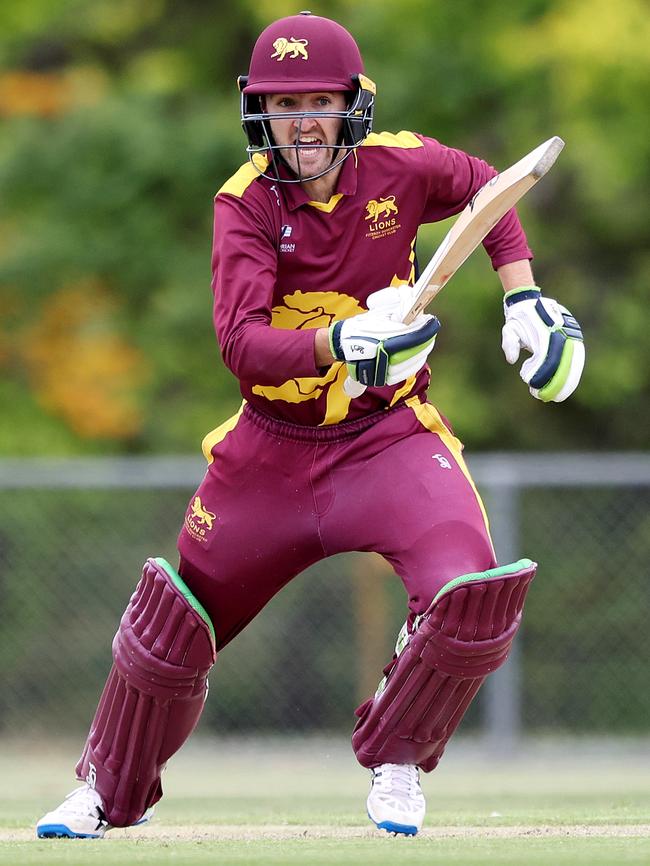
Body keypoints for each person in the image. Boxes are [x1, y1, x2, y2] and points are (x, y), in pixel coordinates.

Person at [36, 11, 585, 839]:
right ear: (259, 112)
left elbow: (491, 189)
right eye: (283, 105)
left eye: (317, 102)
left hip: (386, 439)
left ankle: (398, 762)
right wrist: (340, 339)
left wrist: (523, 295)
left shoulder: (399, 166)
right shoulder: (245, 203)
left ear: (350, 105)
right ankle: (105, 793)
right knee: (170, 629)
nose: (301, 123)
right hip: (271, 456)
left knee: (469, 596)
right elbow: (240, 343)